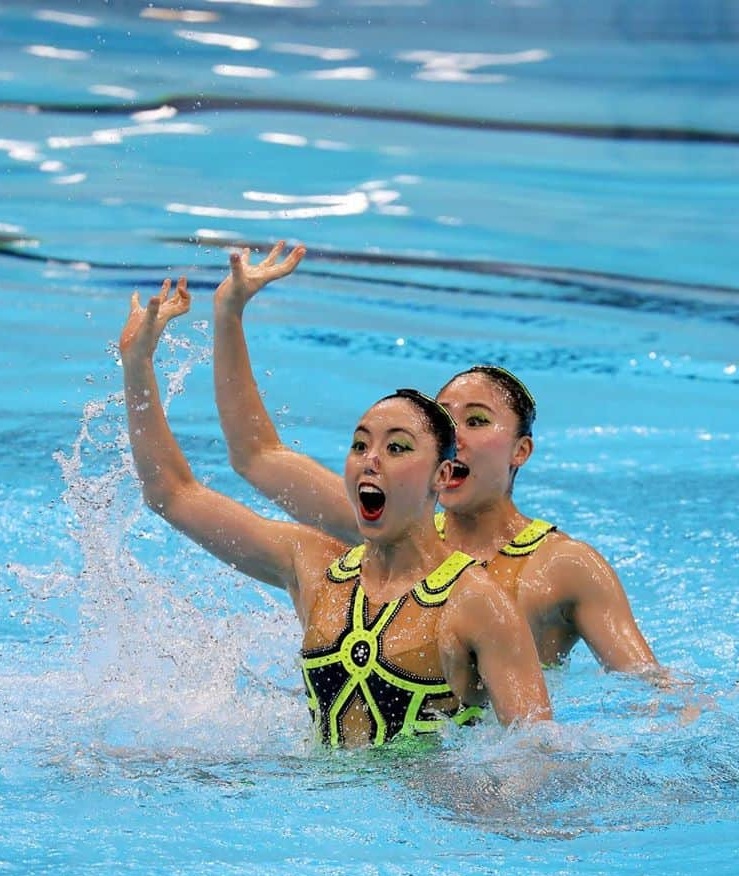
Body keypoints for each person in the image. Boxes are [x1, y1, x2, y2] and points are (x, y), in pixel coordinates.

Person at [117, 276, 554, 747]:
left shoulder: (477, 603)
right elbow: (173, 494)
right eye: (360, 444)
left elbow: (537, 751)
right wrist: (137, 364)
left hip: (428, 806)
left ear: (443, 476)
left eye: (398, 448)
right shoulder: (312, 567)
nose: (372, 459)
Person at [211, 243, 663, 676]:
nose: (455, 437)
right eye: (445, 422)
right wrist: (229, 314)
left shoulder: (564, 568)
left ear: (521, 450)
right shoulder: (396, 524)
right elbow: (257, 456)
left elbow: (649, 687)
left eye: (478, 421)